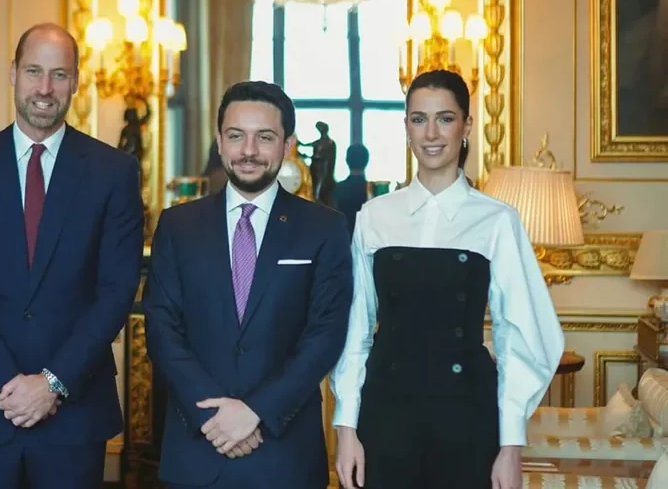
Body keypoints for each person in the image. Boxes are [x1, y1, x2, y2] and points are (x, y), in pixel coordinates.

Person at [0, 23, 145, 488]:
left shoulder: (114, 173)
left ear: (76, 81)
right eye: (33, 71)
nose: (45, 88)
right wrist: (5, 383)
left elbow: (116, 290)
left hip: (75, 411)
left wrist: (52, 382)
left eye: (59, 74)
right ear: (12, 73)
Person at [331, 69, 565, 489]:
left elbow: (522, 335)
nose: (431, 133)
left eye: (445, 118)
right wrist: (346, 428)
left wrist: (511, 446)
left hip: (467, 414)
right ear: (406, 126)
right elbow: (354, 331)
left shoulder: (497, 220)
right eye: (419, 119)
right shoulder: (374, 216)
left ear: (466, 125)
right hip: (386, 413)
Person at [142, 80, 354, 489]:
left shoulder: (324, 228)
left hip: (284, 453)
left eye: (265, 137)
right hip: (198, 448)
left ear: (288, 145)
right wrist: (215, 417)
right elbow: (162, 329)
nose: (249, 150)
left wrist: (255, 412)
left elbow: (325, 335)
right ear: (220, 141)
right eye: (236, 136)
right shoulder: (178, 226)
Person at [333, 144, 370, 240]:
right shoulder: (371, 190)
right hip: (366, 239)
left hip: (342, 239)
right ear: (367, 161)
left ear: (346, 160)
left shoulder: (337, 189)